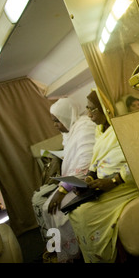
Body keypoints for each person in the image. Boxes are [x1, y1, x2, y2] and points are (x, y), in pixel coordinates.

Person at [68, 90, 139, 263]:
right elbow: (96, 158)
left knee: (84, 214)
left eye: (93, 109)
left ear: (105, 109)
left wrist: (113, 181)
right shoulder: (100, 130)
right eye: (87, 108)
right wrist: (89, 179)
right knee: (74, 212)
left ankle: (104, 258)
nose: (89, 114)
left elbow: (138, 161)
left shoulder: (123, 128)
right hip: (104, 183)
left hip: (125, 184)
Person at [33, 97, 96, 262]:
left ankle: (73, 253)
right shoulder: (71, 130)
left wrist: (62, 190)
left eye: (57, 121)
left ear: (67, 116)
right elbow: (74, 155)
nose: (55, 125)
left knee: (55, 208)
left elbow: (85, 164)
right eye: (53, 121)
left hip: (86, 180)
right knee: (46, 206)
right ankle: (61, 249)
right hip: (73, 179)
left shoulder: (85, 128)